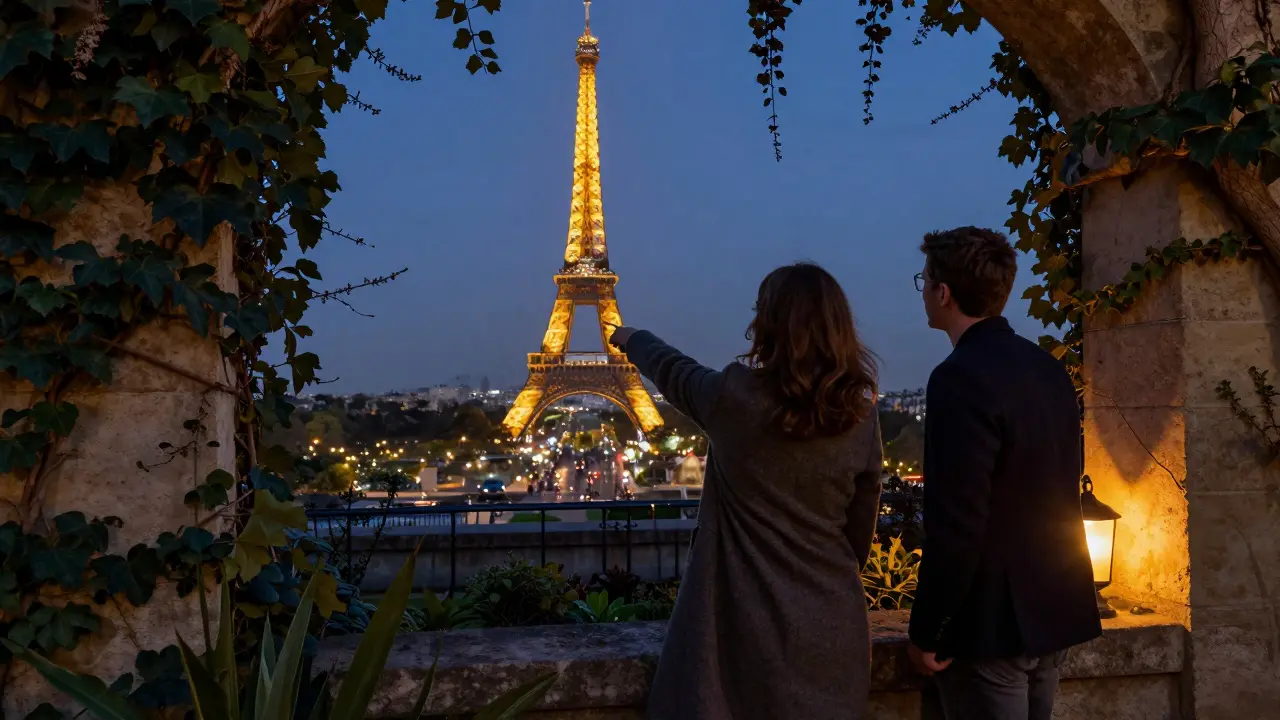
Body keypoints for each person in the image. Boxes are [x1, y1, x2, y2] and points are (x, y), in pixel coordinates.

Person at [608, 262, 883, 720]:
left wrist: (634, 338)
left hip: (739, 621)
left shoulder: (733, 397)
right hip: (831, 621)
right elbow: (861, 528)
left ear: (767, 323)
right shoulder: (861, 416)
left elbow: (676, 371)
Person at [909, 227, 1101, 720]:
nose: (925, 291)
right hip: (1052, 610)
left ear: (943, 292)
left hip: (990, 626)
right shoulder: (1047, 369)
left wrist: (928, 629)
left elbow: (957, 522)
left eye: (925, 280)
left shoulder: (958, 378)